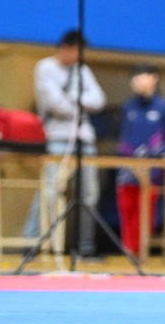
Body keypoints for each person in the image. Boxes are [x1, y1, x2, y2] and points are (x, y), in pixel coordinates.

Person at [23, 29, 107, 257]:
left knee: (89, 194)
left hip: (84, 138)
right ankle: (32, 241)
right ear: (65, 48)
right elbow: (55, 104)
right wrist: (80, 103)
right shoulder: (45, 67)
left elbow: (99, 100)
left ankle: (85, 247)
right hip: (57, 138)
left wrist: (74, 98)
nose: (78, 57)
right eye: (76, 52)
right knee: (49, 190)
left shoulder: (82, 70)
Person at [115, 63, 165, 257]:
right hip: (129, 165)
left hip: (153, 169)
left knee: (147, 209)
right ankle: (127, 247)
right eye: (136, 77)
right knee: (127, 206)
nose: (139, 80)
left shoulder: (163, 107)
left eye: (144, 76)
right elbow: (124, 137)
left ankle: (139, 248)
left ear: (154, 79)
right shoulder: (128, 106)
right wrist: (128, 158)